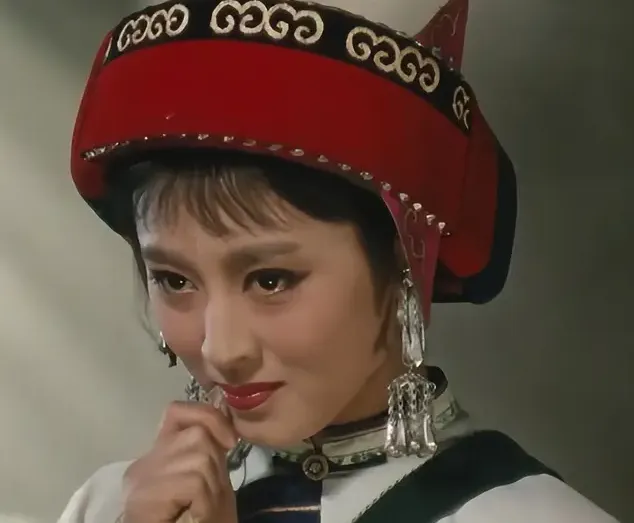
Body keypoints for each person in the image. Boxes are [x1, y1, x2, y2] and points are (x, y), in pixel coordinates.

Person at [59, 0, 618, 522]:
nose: (220, 350)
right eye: (175, 279)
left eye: (270, 280)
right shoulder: (109, 506)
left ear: (404, 261)